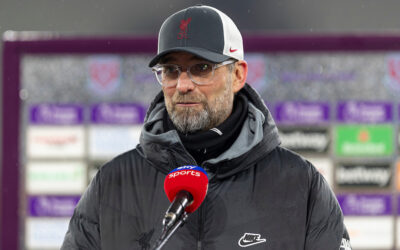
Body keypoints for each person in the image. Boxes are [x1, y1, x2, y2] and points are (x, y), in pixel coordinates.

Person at [62, 5, 351, 250]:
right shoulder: (112, 184)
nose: (183, 85)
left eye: (201, 68)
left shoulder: (300, 184)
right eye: (171, 71)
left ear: (237, 75)